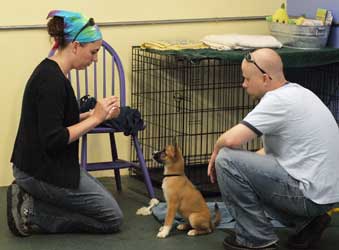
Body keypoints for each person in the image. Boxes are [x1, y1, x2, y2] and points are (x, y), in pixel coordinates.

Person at [208, 48, 339, 250]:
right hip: (325, 196)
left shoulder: (276, 100)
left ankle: (256, 239)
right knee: (236, 166)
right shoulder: (299, 93)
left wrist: (216, 152)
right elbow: (265, 157)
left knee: (226, 159)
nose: (243, 84)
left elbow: (231, 140)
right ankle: (308, 223)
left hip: (310, 197)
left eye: (246, 79)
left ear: (265, 78)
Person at [7, 10, 123, 237]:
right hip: (37, 170)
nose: (95, 59)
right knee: (112, 218)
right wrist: (97, 118)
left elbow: (59, 122)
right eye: (93, 52)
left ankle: (31, 199)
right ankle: (30, 212)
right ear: (76, 46)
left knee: (103, 201)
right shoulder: (51, 82)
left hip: (43, 166)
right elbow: (54, 139)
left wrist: (94, 114)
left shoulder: (52, 72)